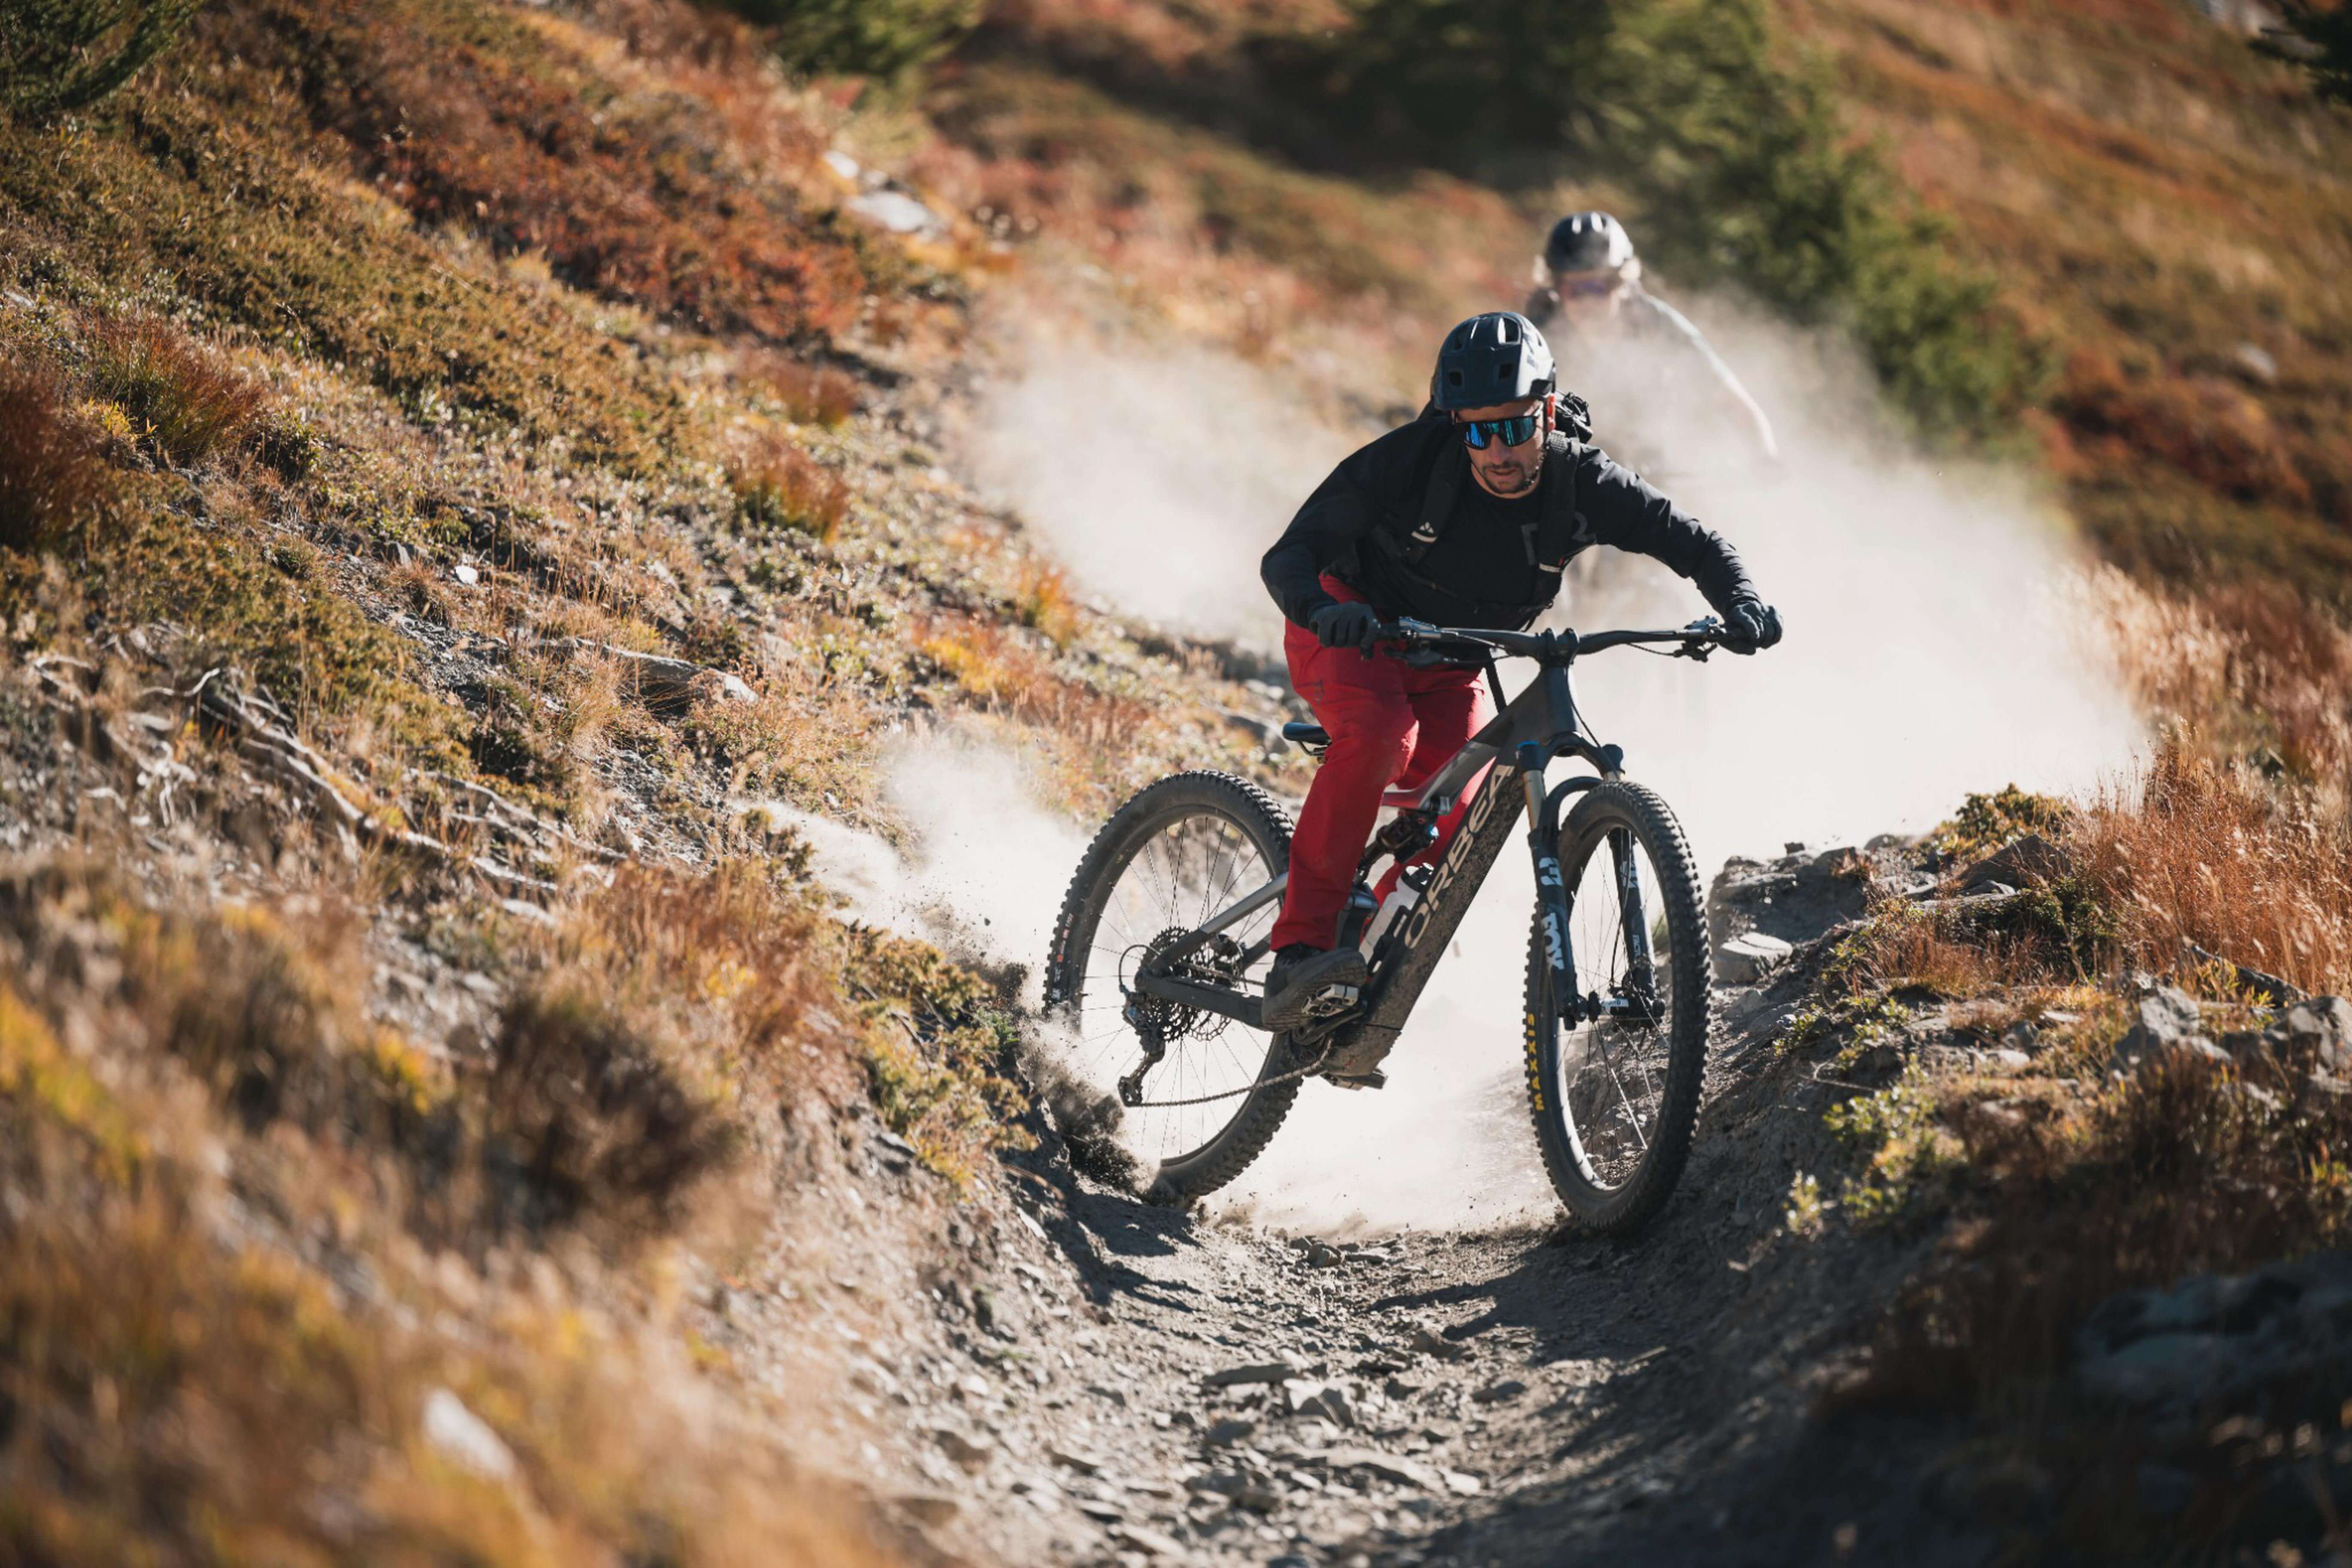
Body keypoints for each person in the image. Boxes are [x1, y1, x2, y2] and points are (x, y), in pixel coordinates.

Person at [1256, 311, 1781, 1029]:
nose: (1496, 450)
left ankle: (1362, 952)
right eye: (1476, 430)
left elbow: (1694, 544)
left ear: (1548, 411)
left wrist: (1741, 601)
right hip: (1355, 627)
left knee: (1463, 805)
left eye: (1514, 427)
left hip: (1453, 657)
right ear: (1455, 423)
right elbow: (1288, 556)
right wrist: (1322, 610)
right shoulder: (1411, 463)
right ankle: (1299, 953)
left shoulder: (1583, 482)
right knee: (1381, 738)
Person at [1524, 211, 1780, 465]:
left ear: (1621, 283)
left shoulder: (1657, 324)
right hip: (1577, 470)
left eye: (1598, 287)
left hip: (1657, 465)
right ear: (1555, 288)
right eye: (1574, 290)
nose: (1587, 302)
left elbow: (1729, 396)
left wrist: (1765, 455)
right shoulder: (1538, 336)